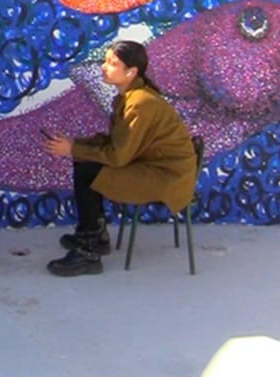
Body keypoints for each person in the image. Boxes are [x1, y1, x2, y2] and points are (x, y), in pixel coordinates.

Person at [41, 40, 196, 277]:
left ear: (131, 72)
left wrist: (72, 150)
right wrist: (77, 145)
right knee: (86, 162)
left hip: (167, 177)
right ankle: (93, 233)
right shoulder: (129, 97)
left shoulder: (140, 103)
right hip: (149, 165)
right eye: (105, 61)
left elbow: (118, 156)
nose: (104, 67)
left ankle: (89, 252)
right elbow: (117, 141)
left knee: (88, 170)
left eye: (112, 63)